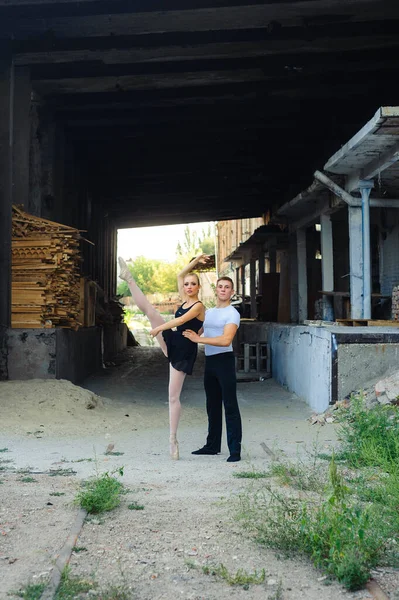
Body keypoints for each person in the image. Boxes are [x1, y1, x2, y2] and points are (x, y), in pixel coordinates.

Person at [118, 255, 210, 461]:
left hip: (184, 350)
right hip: (174, 340)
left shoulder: (198, 306)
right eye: (186, 284)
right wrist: (195, 261)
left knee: (173, 397)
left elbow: (181, 319)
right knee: (150, 310)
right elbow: (179, 274)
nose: (188, 286)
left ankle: (173, 439)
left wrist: (158, 328)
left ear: (198, 287)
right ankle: (128, 278)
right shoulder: (185, 299)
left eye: (193, 284)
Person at [183, 276, 242, 462]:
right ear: (216, 290)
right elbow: (197, 331)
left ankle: (235, 451)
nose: (223, 290)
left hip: (224, 361)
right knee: (212, 405)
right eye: (220, 287)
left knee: (230, 405)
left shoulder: (232, 313)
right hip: (210, 362)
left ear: (232, 292)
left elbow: (226, 340)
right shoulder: (209, 313)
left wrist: (198, 340)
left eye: (227, 287)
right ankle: (212, 445)